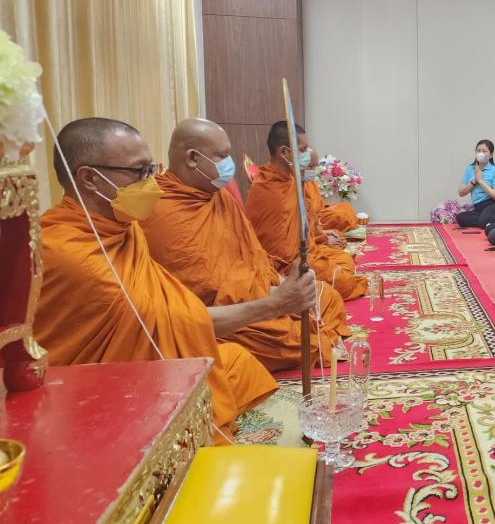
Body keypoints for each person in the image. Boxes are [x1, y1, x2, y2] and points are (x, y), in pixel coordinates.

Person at [35, 118, 278, 433]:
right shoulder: (69, 252)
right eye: (140, 172)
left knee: (235, 362)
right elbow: (169, 319)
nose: (152, 183)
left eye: (152, 169)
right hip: (101, 392)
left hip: (146, 361)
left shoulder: (124, 226)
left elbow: (164, 305)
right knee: (212, 386)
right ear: (90, 178)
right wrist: (271, 306)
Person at [142, 118, 352, 372]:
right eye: (222, 156)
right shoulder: (159, 212)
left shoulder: (219, 197)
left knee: (326, 296)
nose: (229, 163)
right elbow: (200, 294)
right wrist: (273, 301)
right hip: (233, 316)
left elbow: (254, 254)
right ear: (192, 158)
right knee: (298, 339)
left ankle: (303, 323)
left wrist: (279, 285)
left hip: (263, 292)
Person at [245, 122, 367, 300]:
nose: (307, 155)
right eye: (302, 150)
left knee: (344, 262)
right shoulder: (268, 188)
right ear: (284, 152)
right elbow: (279, 252)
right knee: (344, 283)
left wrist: (320, 239)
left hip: (308, 251)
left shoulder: (291, 179)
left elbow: (306, 222)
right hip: (286, 266)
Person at [455, 139, 495, 229]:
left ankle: (488, 221)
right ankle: (493, 221)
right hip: (478, 208)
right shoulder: (470, 169)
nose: (481, 153)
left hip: (493, 204)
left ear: (491, 155)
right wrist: (474, 181)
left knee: (482, 221)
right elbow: (461, 192)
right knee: (460, 218)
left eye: (484, 151)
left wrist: (481, 181)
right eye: (478, 151)